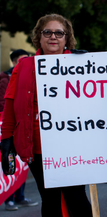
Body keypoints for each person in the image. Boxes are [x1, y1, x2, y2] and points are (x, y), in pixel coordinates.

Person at [0, 14, 92, 217]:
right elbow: (10, 103)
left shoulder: (81, 65)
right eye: (47, 32)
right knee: (50, 198)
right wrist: (6, 138)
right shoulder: (23, 67)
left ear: (67, 38)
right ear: (38, 37)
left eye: (59, 33)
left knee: (76, 197)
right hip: (37, 147)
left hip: (73, 146)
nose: (53, 37)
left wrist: (88, 67)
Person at [0, 49, 39, 211]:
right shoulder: (5, 80)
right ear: (15, 62)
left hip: (26, 130)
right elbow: (6, 104)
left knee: (21, 168)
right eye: (23, 60)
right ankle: (9, 200)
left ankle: (20, 197)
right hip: (14, 128)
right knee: (11, 166)